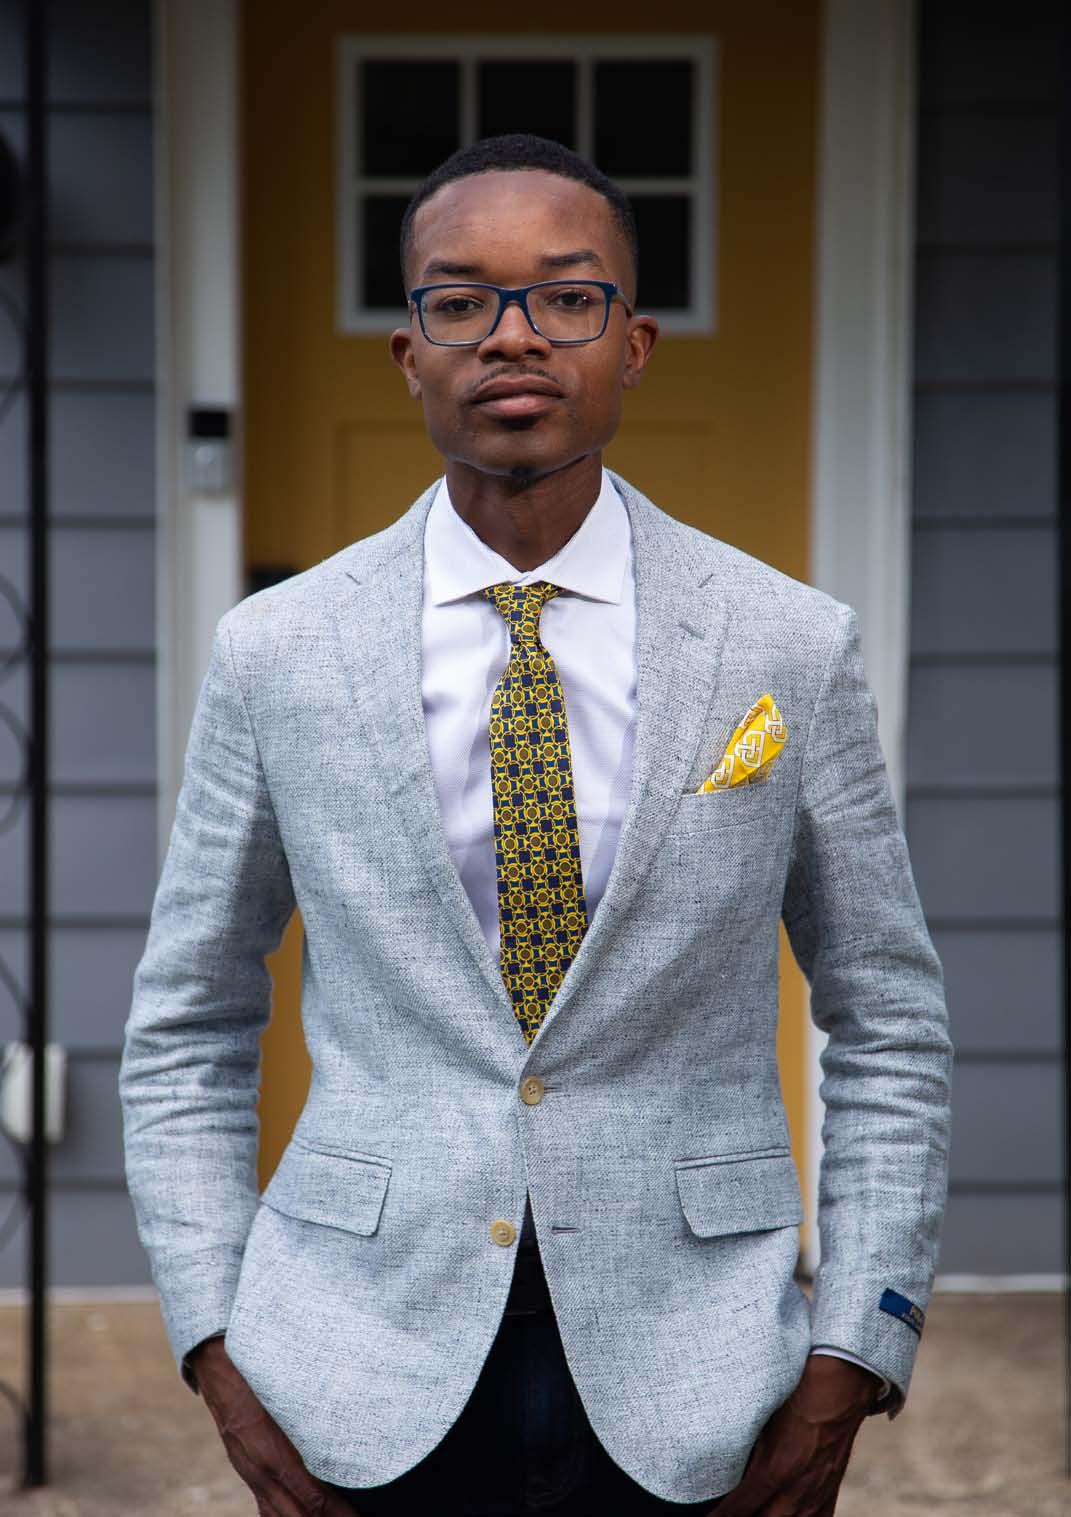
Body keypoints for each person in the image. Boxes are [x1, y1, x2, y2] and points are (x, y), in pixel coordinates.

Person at [120, 133, 952, 1517]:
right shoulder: (277, 650)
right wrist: (215, 1341)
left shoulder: (786, 644)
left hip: (706, 1376)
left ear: (634, 344)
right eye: (463, 301)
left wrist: (854, 1350)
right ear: (411, 355)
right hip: (357, 1365)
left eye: (567, 297)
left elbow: (888, 1015)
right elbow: (187, 1020)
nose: (514, 336)